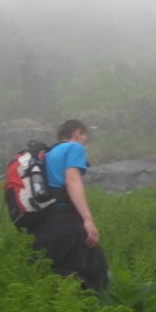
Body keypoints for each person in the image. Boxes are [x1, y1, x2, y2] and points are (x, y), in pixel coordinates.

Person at [27, 119, 109, 291]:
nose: (85, 140)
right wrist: (88, 219)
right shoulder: (74, 148)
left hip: (47, 221)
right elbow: (72, 180)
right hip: (65, 219)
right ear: (78, 132)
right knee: (94, 268)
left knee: (54, 273)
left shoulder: (49, 154)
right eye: (85, 135)